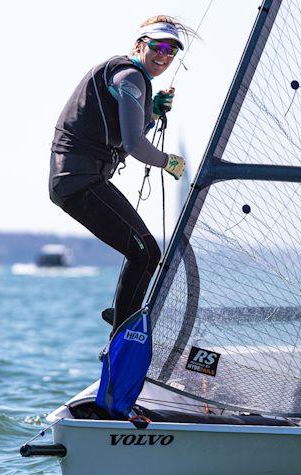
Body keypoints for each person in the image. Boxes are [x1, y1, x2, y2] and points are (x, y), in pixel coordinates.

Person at [48, 16, 193, 335]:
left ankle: (122, 318)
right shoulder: (129, 76)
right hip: (78, 180)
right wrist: (169, 162)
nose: (165, 56)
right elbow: (134, 144)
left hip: (80, 181)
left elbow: (125, 137)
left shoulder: (131, 79)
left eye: (172, 51)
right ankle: (123, 333)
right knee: (146, 252)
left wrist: (152, 112)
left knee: (142, 251)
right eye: (158, 47)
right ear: (140, 45)